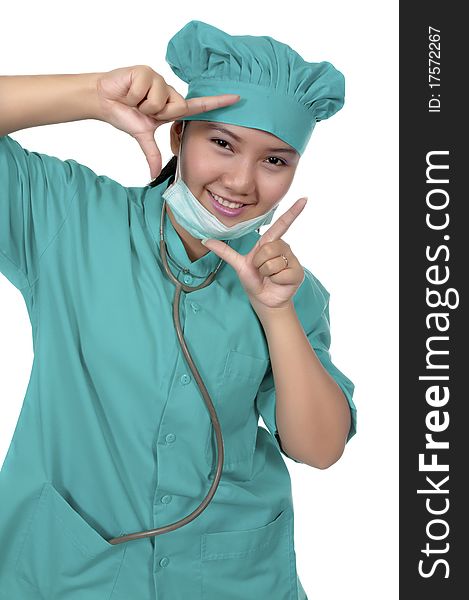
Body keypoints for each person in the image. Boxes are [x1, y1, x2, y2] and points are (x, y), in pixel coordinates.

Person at [0, 20, 357, 600]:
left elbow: (319, 449)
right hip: (70, 572)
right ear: (177, 137)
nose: (241, 182)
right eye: (221, 143)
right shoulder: (69, 218)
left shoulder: (292, 290)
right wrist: (90, 94)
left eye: (275, 161)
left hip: (233, 578)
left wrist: (278, 314)